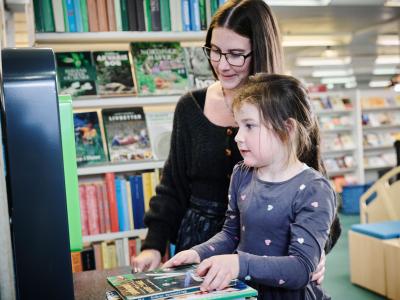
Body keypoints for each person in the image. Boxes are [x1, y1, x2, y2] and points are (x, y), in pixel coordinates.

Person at [132, 0, 341, 279]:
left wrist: (314, 253)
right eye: (215, 51)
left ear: (260, 51)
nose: (222, 64)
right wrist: (153, 246)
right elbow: (173, 187)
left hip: (269, 255)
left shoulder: (288, 107)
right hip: (201, 244)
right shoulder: (190, 107)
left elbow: (318, 198)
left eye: (235, 54)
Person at [164, 73, 336, 299]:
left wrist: (239, 264)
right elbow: (230, 235)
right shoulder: (241, 174)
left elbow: (301, 268)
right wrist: (198, 253)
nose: (238, 137)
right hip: (246, 293)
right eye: (238, 126)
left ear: (287, 129)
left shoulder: (314, 188)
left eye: (249, 126)